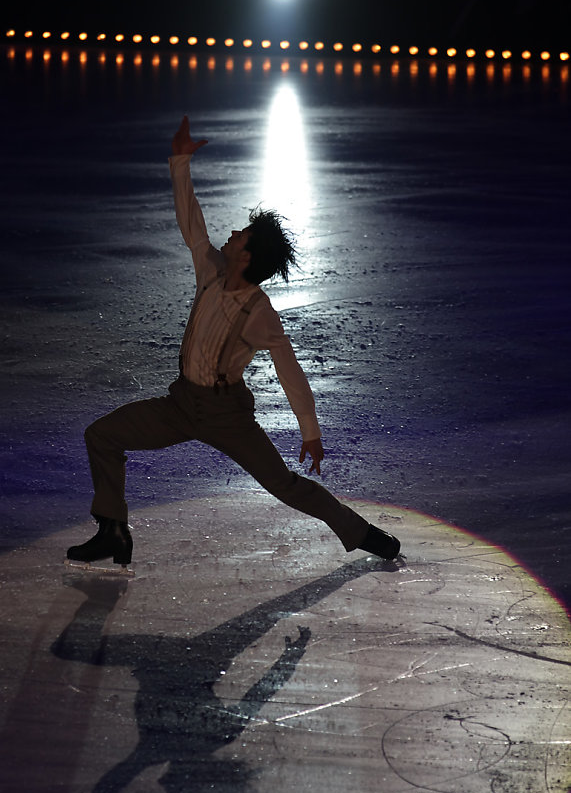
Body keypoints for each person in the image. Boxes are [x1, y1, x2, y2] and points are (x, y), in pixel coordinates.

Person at [66, 116, 400, 569]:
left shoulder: (258, 312)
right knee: (102, 435)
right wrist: (180, 160)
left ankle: (363, 534)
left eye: (240, 233)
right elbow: (193, 224)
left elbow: (289, 369)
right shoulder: (211, 270)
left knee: (284, 484)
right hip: (181, 405)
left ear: (246, 255)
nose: (231, 233)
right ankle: (113, 531)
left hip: (227, 417)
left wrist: (311, 432)